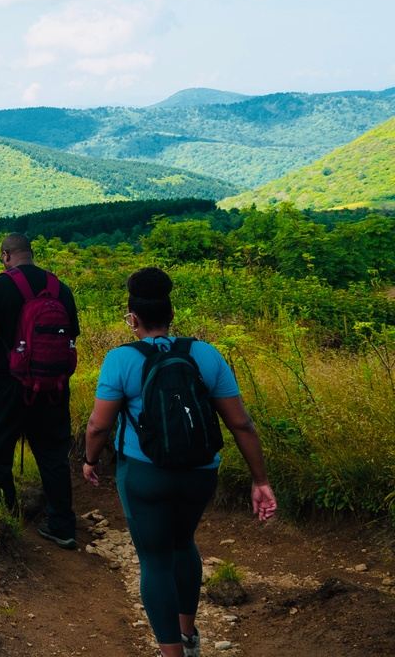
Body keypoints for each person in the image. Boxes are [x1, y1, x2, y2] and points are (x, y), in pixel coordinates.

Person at [83, 267, 276, 657]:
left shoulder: (120, 360)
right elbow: (241, 423)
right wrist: (260, 480)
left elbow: (98, 426)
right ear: (172, 315)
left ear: (132, 318)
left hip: (143, 475)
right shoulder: (205, 354)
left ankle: (171, 653)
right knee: (183, 543)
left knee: (154, 560)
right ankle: (189, 637)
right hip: (199, 474)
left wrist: (89, 461)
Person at [0, 233, 79, 549]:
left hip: (8, 385)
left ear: (5, 255)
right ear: (31, 253)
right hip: (52, 388)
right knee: (53, 454)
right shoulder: (60, 289)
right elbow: (69, 342)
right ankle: (62, 525)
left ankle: (2, 519)